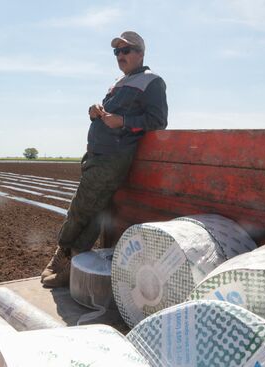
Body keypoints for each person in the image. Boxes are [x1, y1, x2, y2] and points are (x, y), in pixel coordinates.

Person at [41, 31, 168, 288]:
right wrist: (95, 112)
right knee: (96, 211)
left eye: (126, 50)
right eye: (116, 52)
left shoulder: (152, 81)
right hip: (98, 154)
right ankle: (74, 263)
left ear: (140, 53)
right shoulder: (118, 83)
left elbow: (158, 121)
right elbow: (111, 114)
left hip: (113, 157)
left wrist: (122, 121)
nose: (120, 56)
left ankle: (61, 255)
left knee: (81, 207)